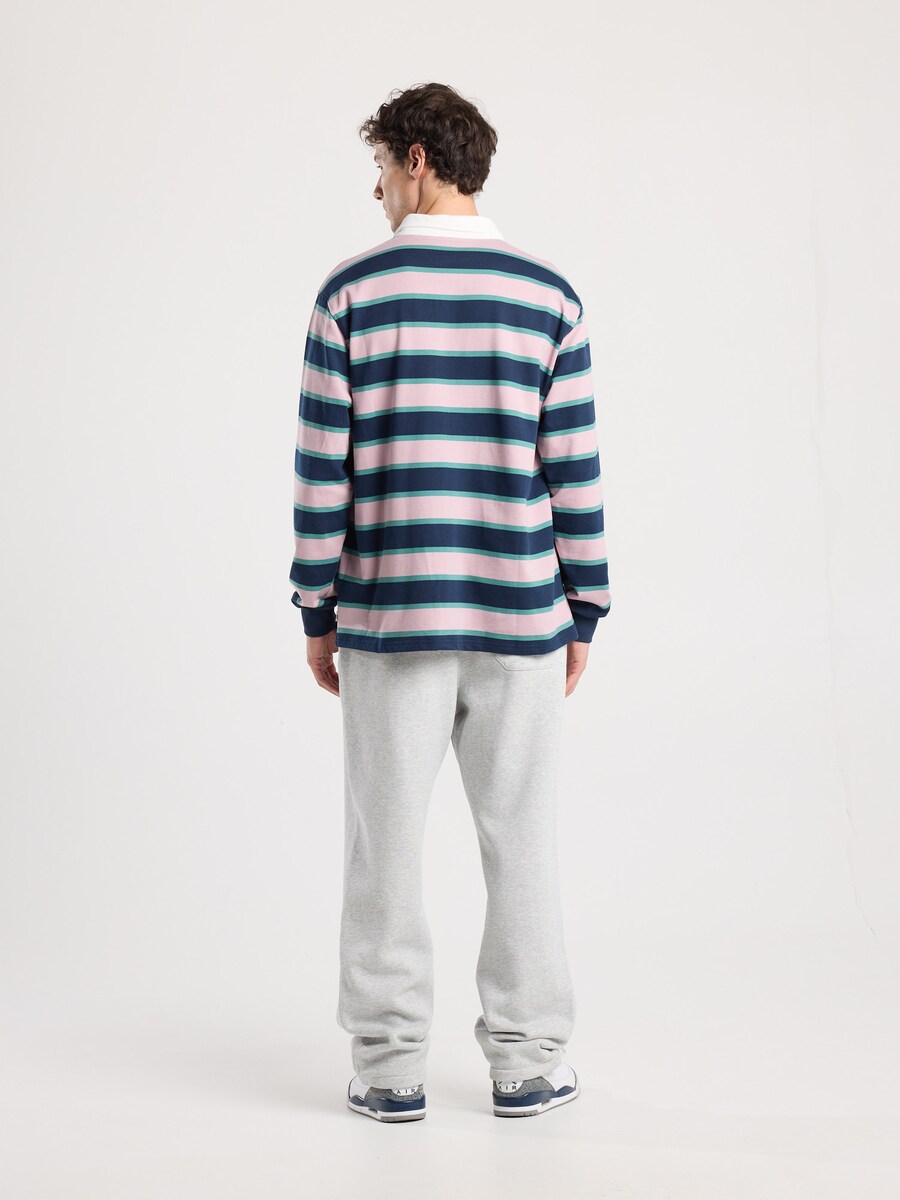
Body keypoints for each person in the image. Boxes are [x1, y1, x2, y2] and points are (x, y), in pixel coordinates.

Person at [290, 82, 611, 1122]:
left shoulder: (350, 296)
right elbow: (573, 471)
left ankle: (389, 1072)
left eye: (382, 167)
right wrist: (585, 606)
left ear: (419, 160)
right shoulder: (549, 297)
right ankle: (528, 1063)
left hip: (391, 618)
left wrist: (316, 609)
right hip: (521, 615)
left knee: (383, 844)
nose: (378, 189)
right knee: (522, 840)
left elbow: (321, 476)